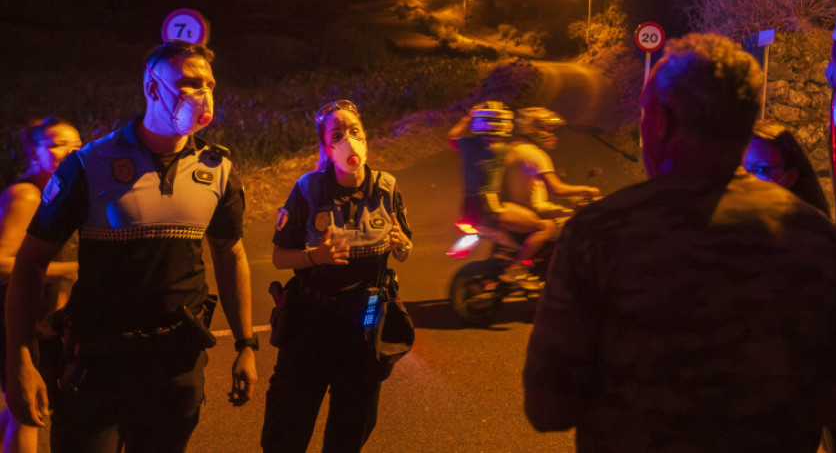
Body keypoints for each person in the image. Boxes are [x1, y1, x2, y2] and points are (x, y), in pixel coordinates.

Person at [524, 33, 836, 451]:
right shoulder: (814, 237)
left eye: (645, 112)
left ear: (661, 123)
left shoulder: (600, 233)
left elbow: (548, 408)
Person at [4, 40, 257, 453]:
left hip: (176, 363)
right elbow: (31, 259)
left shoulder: (219, 170)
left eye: (209, 84)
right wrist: (19, 357)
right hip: (98, 362)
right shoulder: (89, 165)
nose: (204, 94)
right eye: (189, 83)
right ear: (152, 87)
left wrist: (246, 344)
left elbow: (231, 253)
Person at [261, 98, 412, 453]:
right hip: (310, 325)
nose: (348, 141)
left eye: (354, 131)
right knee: (287, 429)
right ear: (326, 148)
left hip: (366, 325)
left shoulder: (387, 188)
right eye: (338, 135)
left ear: (366, 137)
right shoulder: (308, 189)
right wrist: (315, 257)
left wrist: (402, 244)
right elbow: (279, 257)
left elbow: (404, 250)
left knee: (350, 430)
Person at [0, 118, 81, 453]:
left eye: (76, 145)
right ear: (35, 152)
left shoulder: (54, 193)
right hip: (13, 319)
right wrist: (70, 269)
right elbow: (2, 261)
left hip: (34, 321)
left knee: (18, 409)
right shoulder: (26, 195)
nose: (70, 151)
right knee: (29, 412)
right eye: (57, 144)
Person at [448, 102, 555, 287]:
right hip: (491, 206)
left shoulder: (468, 145)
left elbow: (452, 137)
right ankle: (516, 269)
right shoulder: (501, 149)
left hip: (469, 207)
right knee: (544, 227)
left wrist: (468, 117)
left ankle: (508, 262)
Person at [499, 107, 600, 284]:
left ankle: (541, 265)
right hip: (532, 210)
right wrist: (587, 190)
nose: (552, 135)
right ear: (533, 129)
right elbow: (557, 189)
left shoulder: (509, 150)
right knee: (578, 223)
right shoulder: (536, 154)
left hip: (513, 209)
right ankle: (553, 270)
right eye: (548, 129)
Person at [743, 120, 832, 219]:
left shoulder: (808, 226)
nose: (745, 178)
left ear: (790, 176)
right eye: (740, 169)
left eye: (761, 169)